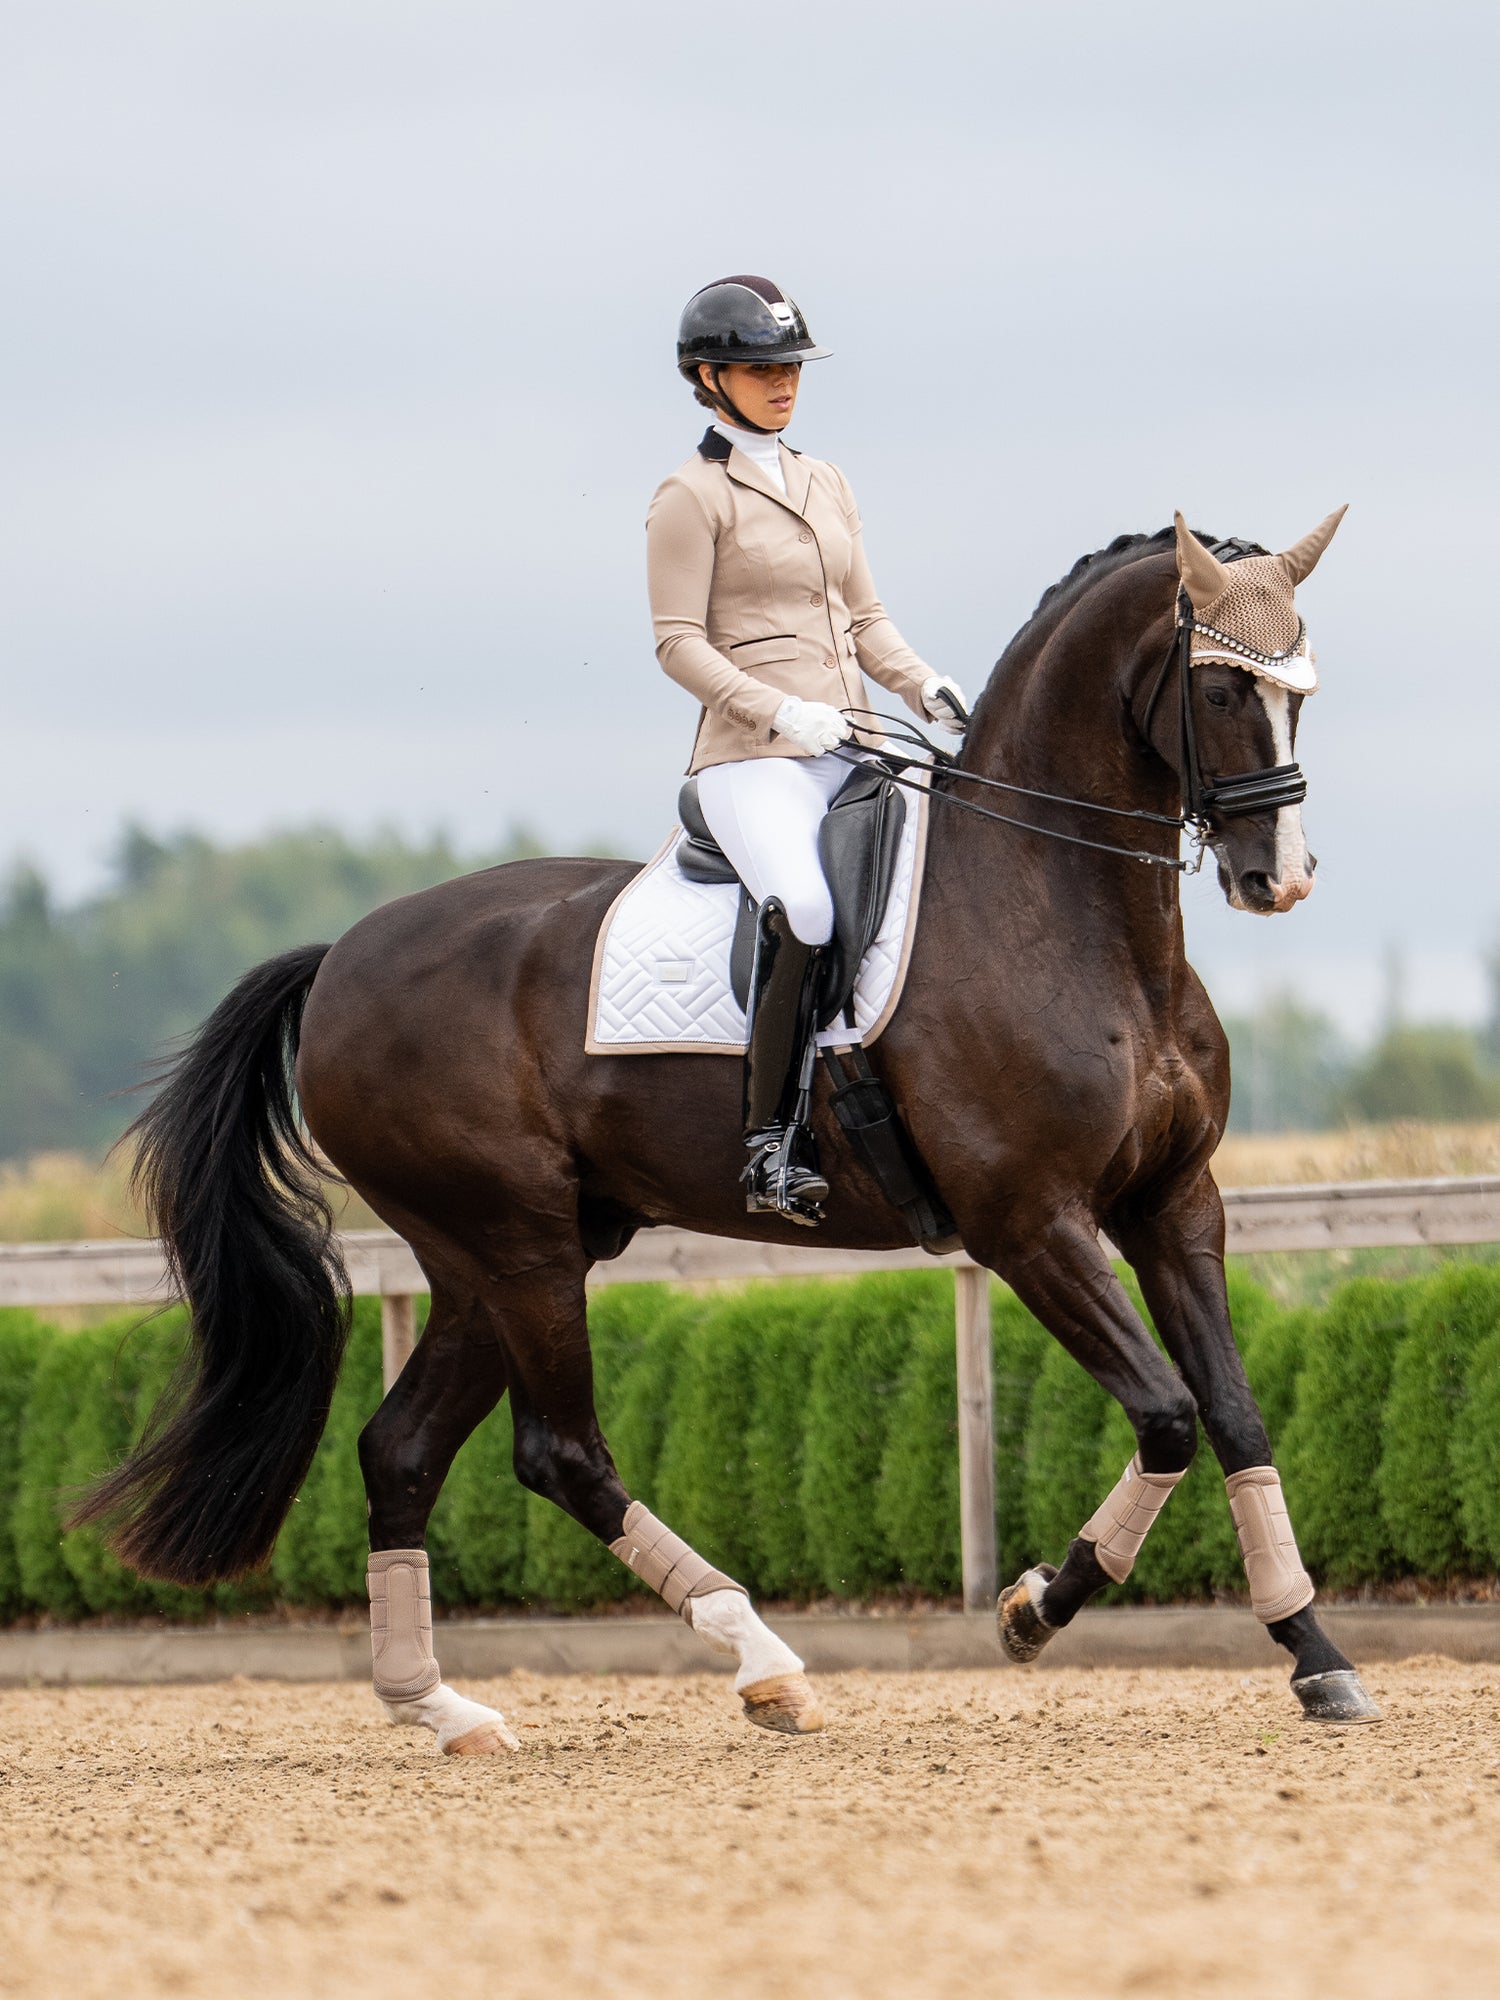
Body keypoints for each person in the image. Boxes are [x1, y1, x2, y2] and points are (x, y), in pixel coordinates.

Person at [646, 274, 967, 1226]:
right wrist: (783, 714)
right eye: (760, 368)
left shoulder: (827, 480)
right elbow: (677, 643)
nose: (783, 383)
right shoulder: (689, 496)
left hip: (855, 740)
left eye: (790, 366)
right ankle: (771, 1144)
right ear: (709, 377)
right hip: (750, 759)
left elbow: (862, 616)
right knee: (811, 909)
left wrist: (919, 683)